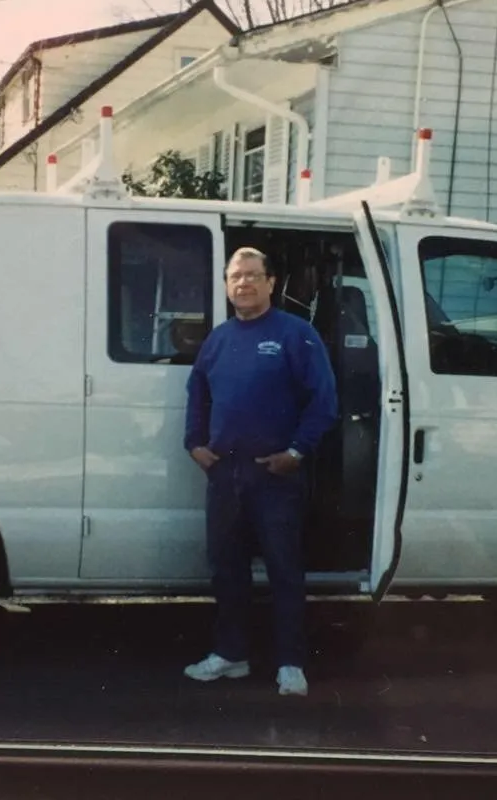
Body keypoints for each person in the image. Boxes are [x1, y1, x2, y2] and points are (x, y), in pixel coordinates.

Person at [182, 247, 338, 697]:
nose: (243, 283)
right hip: (225, 475)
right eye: (236, 277)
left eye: (252, 275)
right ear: (227, 285)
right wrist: (194, 444)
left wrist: (297, 451)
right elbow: (198, 393)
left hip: (276, 476)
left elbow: (323, 403)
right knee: (225, 570)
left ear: (271, 283)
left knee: (284, 570)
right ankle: (231, 655)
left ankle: (291, 664)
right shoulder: (218, 339)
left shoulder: (296, 334)